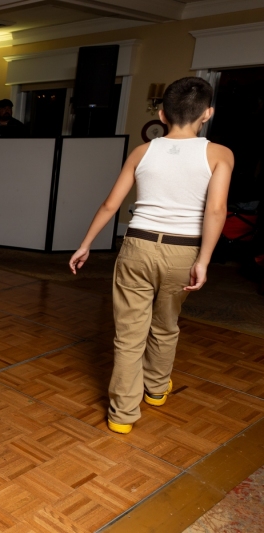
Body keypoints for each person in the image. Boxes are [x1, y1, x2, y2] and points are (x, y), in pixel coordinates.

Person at [68, 77, 233, 435]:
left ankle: (122, 415)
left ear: (162, 113)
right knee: (166, 323)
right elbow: (216, 211)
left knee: (128, 334)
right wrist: (203, 260)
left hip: (136, 246)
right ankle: (156, 390)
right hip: (183, 250)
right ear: (207, 113)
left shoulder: (143, 152)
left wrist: (86, 243)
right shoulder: (220, 154)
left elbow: (112, 204)